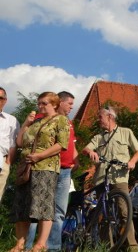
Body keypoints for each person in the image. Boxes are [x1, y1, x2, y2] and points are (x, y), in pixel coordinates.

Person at [10, 92, 69, 252]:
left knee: (43, 206)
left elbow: (62, 145)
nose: (40, 106)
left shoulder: (61, 120)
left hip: (46, 167)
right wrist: (25, 124)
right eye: (39, 103)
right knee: (22, 206)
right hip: (26, 168)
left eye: (44, 103)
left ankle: (40, 244)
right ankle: (19, 244)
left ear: (55, 104)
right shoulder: (36, 122)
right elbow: (20, 142)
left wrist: (40, 155)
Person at [83, 105, 138, 251]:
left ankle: (132, 247)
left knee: (124, 211)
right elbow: (85, 148)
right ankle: (107, 247)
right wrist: (91, 152)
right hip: (102, 179)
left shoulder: (125, 132)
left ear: (110, 117)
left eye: (100, 117)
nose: (99, 120)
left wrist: (132, 161)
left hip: (120, 178)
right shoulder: (99, 137)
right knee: (104, 215)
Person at [26, 91, 79, 251]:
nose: (71, 107)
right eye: (69, 103)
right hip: (46, 169)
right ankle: (28, 246)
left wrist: (75, 160)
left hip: (64, 171)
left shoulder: (68, 122)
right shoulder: (41, 119)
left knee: (59, 211)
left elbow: (71, 145)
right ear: (60, 102)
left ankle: (53, 248)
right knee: (37, 209)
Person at [0, 86, 20, 203]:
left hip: (2, 163)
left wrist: (8, 163)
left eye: (0, 98)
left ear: (5, 100)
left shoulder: (11, 120)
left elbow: (14, 143)